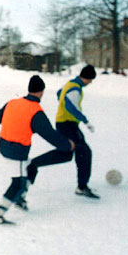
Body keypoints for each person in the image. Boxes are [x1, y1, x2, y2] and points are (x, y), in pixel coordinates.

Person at [0, 75, 74, 225]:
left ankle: (20, 198)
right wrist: (68, 145)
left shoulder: (12, 103)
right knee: (18, 183)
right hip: (17, 152)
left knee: (32, 168)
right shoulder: (36, 112)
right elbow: (50, 135)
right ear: (41, 92)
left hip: (4, 146)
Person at [26, 65, 100, 199]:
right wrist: (85, 121)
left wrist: (63, 106)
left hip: (65, 123)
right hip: (67, 124)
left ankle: (34, 163)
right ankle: (81, 187)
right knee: (83, 152)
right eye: (91, 79)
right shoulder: (75, 88)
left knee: (67, 154)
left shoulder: (71, 83)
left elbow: (59, 93)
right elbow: (70, 107)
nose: (91, 82)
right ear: (87, 77)